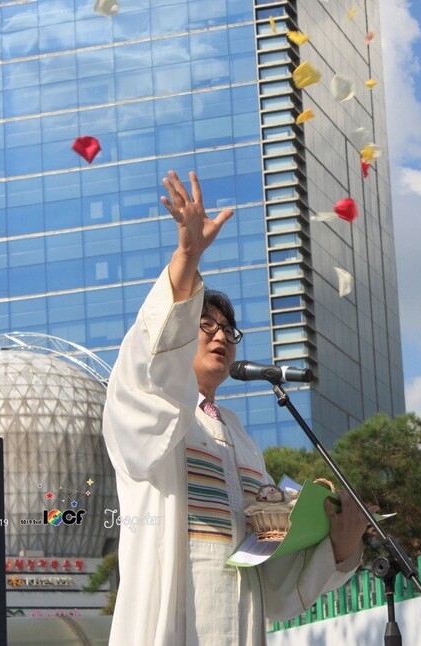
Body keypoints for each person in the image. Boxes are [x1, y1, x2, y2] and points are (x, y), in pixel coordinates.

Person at [102, 171, 370, 644]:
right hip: (175, 613)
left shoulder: (241, 439)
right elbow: (148, 361)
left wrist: (336, 542)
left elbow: (277, 587)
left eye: (229, 329)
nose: (222, 335)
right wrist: (188, 255)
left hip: (240, 622)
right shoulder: (149, 407)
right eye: (205, 324)